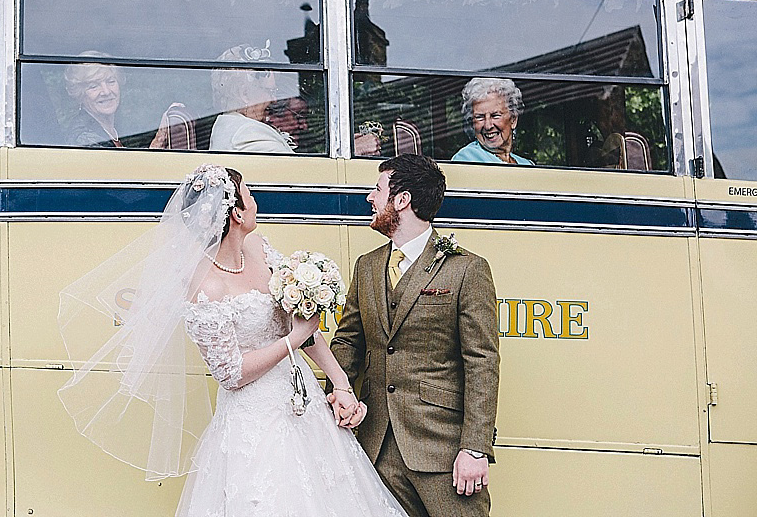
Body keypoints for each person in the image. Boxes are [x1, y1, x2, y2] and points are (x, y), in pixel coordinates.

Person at [58, 163, 411, 516]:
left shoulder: (259, 248)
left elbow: (302, 323)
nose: (256, 203)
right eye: (250, 196)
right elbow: (232, 374)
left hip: (305, 404)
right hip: (254, 419)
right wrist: (293, 341)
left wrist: (341, 385)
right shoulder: (204, 285)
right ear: (237, 213)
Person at [329, 153, 500, 517]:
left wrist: (475, 448)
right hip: (375, 447)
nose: (370, 199)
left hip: (443, 451)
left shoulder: (467, 269)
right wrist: (337, 392)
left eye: (377, 189)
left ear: (402, 199)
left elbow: (482, 362)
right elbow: (348, 342)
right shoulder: (367, 266)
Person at [209, 43, 381, 155]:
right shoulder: (246, 134)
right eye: (269, 91)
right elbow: (295, 176)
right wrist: (351, 152)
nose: (274, 99)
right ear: (244, 94)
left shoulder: (229, 125)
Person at [63, 51, 175, 149]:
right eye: (94, 86)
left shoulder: (120, 128)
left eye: (111, 81)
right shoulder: (83, 138)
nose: (106, 91)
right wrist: (158, 142)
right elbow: (117, 172)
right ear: (79, 93)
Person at [452, 77, 533, 165]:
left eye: (495, 116)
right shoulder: (466, 158)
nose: (488, 126)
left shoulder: (527, 164)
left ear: (513, 119)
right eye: (480, 117)